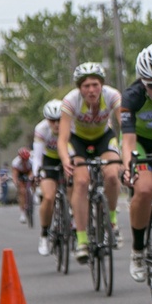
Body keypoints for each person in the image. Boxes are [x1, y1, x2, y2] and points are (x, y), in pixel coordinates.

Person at [57, 62, 123, 263]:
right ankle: (82, 240)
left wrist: (126, 154)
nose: (91, 90)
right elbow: (62, 138)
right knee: (82, 181)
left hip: (104, 138)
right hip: (79, 142)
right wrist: (66, 160)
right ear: (79, 88)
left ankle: (111, 220)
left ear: (101, 85)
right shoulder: (70, 101)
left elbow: (125, 126)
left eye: (95, 85)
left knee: (112, 174)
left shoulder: (112, 96)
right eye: (86, 86)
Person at [120, 43, 152, 282]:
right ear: (142, 82)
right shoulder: (132, 96)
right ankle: (138, 251)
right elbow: (128, 142)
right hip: (141, 142)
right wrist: (128, 167)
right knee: (145, 188)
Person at [34, 99, 64, 255]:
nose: (57, 124)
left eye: (60, 120)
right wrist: (36, 173)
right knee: (49, 197)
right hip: (49, 160)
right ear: (47, 120)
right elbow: (37, 157)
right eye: (53, 121)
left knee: (77, 188)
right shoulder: (41, 129)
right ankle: (44, 234)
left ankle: (73, 223)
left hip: (67, 158)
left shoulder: (71, 125)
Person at [9, 148, 33, 224]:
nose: (25, 161)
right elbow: (15, 175)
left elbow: (33, 172)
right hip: (20, 173)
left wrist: (31, 178)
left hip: (29, 171)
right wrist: (16, 182)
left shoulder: (32, 161)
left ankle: (32, 194)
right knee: (22, 191)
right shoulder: (16, 162)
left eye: (26, 159)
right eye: (23, 159)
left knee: (34, 180)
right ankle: (23, 214)